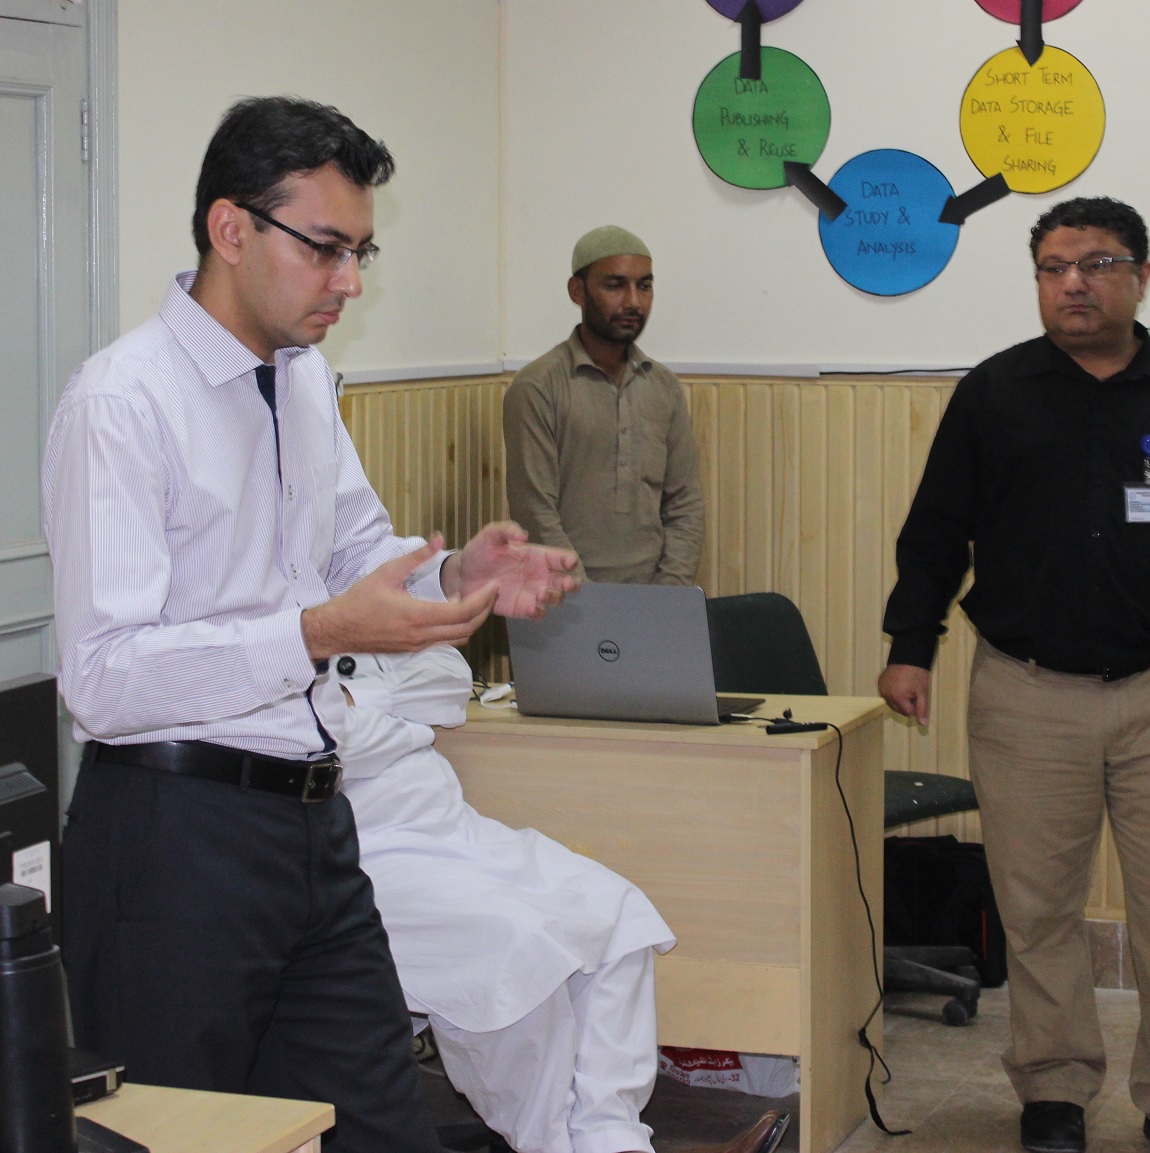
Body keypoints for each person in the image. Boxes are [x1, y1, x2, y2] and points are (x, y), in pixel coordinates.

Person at [44, 96, 580, 1153]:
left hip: (315, 823)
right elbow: (102, 677)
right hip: (170, 837)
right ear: (231, 229)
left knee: (382, 1128)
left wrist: (455, 576)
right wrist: (313, 631)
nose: (349, 281)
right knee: (176, 1137)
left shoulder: (302, 384)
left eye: (359, 252)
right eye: (326, 248)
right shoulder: (121, 402)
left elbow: (353, 559)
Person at [878, 198, 1150, 1153]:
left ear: (1141, 276)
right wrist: (910, 644)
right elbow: (936, 532)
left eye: (1097, 263)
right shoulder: (993, 394)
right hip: (1027, 693)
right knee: (1037, 905)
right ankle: (1053, 1088)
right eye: (1053, 267)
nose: (1073, 283)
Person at [335, 645, 787, 1153]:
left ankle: (611, 1138)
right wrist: (398, 711)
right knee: (521, 946)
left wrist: (361, 698)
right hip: (363, 851)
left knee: (614, 911)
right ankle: (553, 1145)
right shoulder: (287, 629)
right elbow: (326, 738)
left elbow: (450, 680)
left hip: (455, 829)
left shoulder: (375, 610)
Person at [504, 226, 704, 585]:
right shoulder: (538, 387)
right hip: (564, 597)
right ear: (577, 291)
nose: (634, 302)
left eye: (644, 286)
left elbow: (685, 505)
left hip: (655, 596)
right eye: (615, 286)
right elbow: (536, 513)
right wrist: (590, 603)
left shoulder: (664, 387)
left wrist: (669, 594)